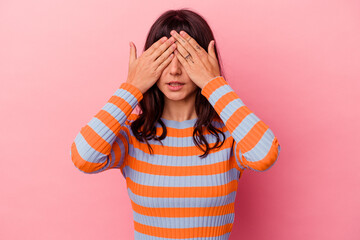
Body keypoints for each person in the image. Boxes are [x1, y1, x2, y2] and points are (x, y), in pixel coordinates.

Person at [70, 8, 281, 240]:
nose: (174, 71)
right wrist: (132, 87)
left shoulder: (231, 132)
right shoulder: (132, 134)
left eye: (187, 59)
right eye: (164, 59)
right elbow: (84, 157)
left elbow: (265, 155)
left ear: (205, 63)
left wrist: (213, 83)